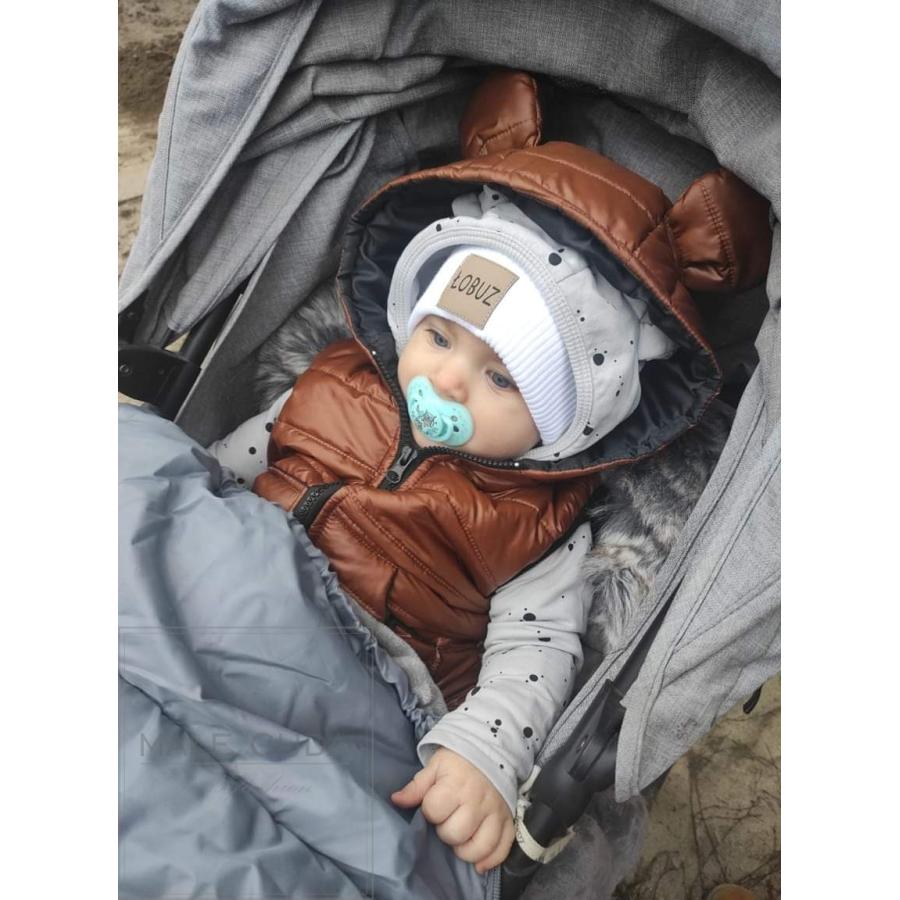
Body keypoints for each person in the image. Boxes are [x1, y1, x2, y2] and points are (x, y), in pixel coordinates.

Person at [208, 185, 677, 874]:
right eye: (437, 336)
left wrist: (483, 750)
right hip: (231, 582)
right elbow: (219, 471)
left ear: (559, 423)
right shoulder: (331, 385)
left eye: (501, 378)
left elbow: (535, 649)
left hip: (360, 666)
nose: (448, 378)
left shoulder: (538, 522)